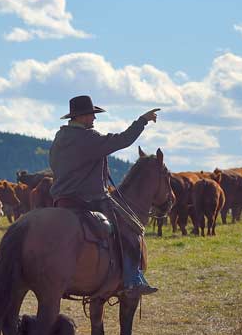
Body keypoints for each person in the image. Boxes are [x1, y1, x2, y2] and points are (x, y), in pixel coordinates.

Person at [49, 95, 160, 297]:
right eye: (92, 115)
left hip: (62, 201)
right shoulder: (88, 138)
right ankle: (132, 279)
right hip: (90, 199)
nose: (94, 119)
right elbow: (122, 140)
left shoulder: (60, 138)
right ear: (81, 116)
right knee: (131, 228)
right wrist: (142, 121)